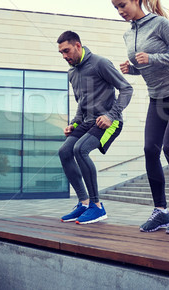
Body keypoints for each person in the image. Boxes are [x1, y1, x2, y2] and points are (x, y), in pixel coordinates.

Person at [110, 0, 169, 235]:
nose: (120, 11)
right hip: (156, 98)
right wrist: (134, 69)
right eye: (116, 7)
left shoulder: (160, 24)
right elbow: (147, 68)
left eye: (122, 5)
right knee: (150, 149)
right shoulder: (128, 34)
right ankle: (160, 211)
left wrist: (152, 58)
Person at [57, 30, 133, 224]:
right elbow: (81, 104)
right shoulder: (72, 73)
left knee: (80, 150)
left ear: (78, 46)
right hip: (87, 122)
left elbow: (126, 89)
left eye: (67, 51)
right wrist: (74, 123)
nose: (65, 56)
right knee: (65, 151)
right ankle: (83, 203)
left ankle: (97, 207)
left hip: (110, 121)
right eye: (61, 53)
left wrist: (110, 115)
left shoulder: (100, 63)